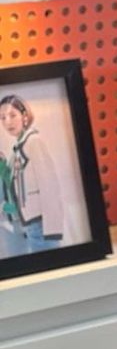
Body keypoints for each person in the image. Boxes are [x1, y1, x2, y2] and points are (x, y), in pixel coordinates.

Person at [0, 94, 64, 253]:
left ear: (25, 115)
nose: (7, 122)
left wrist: (52, 230)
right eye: (2, 117)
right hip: (28, 223)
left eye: (12, 115)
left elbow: (49, 185)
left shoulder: (33, 141)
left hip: (40, 224)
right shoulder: (18, 147)